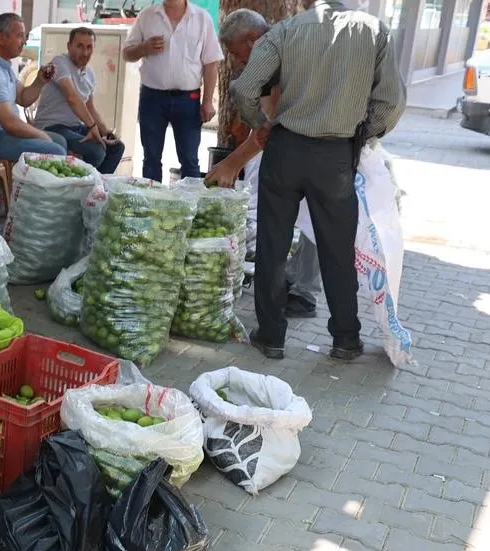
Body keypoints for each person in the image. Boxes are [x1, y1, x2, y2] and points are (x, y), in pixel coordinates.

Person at [229, 0, 405, 360]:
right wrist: (361, 135)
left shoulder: (286, 31)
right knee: (337, 250)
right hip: (336, 156)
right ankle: (345, 339)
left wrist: (260, 124)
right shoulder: (373, 32)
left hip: (285, 151)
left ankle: (272, 337)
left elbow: (244, 89)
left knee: (273, 246)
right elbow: (392, 102)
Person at [208, 9, 318, 319]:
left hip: (321, 143)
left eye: (239, 55)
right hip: (302, 142)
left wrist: (232, 163)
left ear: (253, 40)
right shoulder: (276, 49)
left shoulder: (283, 49)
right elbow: (266, 127)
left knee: (312, 214)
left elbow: (267, 128)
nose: (240, 63)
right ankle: (281, 281)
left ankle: (302, 292)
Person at [123, 0, 224, 181]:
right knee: (151, 158)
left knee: (190, 159)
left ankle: (190, 205)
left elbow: (211, 63)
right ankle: (152, 205)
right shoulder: (147, 16)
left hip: (188, 99)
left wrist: (207, 101)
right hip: (152, 98)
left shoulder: (202, 18)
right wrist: (144, 47)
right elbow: (127, 54)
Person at [0, 13, 67, 161]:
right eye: (20, 36)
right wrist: (41, 135)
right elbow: (10, 122)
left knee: (59, 142)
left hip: (3, 133)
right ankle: (29, 185)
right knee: (55, 151)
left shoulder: (1, 65)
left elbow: (23, 98)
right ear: (1, 38)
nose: (24, 41)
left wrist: (39, 81)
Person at [32, 26, 126, 174]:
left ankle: (97, 187)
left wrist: (105, 131)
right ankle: (81, 187)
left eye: (89, 47)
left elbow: (90, 107)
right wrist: (92, 126)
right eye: (80, 46)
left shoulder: (90, 73)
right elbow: (72, 97)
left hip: (75, 127)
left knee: (117, 147)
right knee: (96, 152)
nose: (85, 52)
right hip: (52, 127)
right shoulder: (60, 62)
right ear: (69, 46)